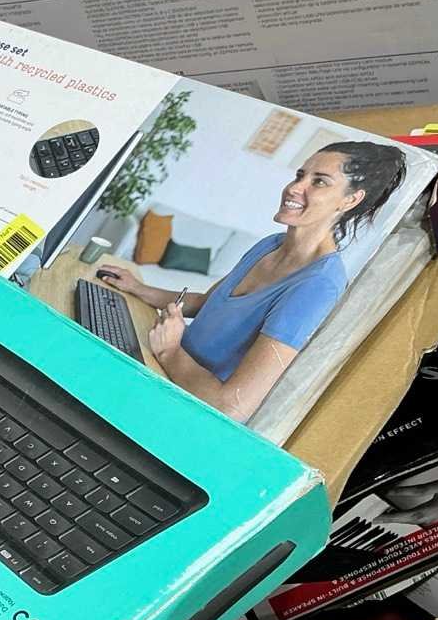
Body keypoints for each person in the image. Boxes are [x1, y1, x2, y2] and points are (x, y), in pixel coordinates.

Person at [99, 140, 407, 423]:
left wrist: (170, 350)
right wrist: (138, 288)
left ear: (350, 200)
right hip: (161, 372)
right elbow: (208, 303)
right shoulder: (270, 244)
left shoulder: (318, 285)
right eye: (300, 175)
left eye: (319, 182)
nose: (295, 187)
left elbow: (231, 407)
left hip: (185, 410)